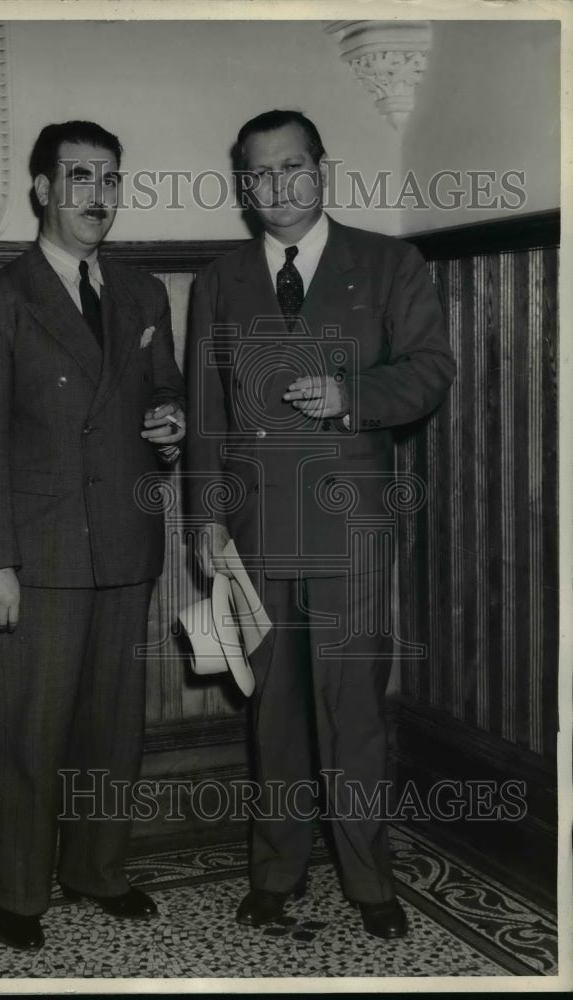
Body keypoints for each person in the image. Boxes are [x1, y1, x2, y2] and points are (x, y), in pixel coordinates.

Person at [185, 109, 456, 939]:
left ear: (322, 171)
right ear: (243, 185)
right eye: (258, 174)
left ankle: (371, 882)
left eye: (292, 168)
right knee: (272, 713)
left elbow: (430, 370)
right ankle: (276, 871)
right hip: (259, 530)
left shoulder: (388, 261)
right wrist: (204, 515)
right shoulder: (218, 280)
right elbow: (204, 413)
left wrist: (352, 397)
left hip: (351, 529)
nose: (277, 188)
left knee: (354, 712)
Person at [0, 120, 185, 951]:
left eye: (109, 179)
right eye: (78, 177)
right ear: (42, 188)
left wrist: (170, 426)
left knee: (111, 731)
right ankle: (16, 891)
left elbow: (165, 394)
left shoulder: (144, 293)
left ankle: (97, 869)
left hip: (123, 547)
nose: (97, 196)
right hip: (35, 557)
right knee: (25, 732)